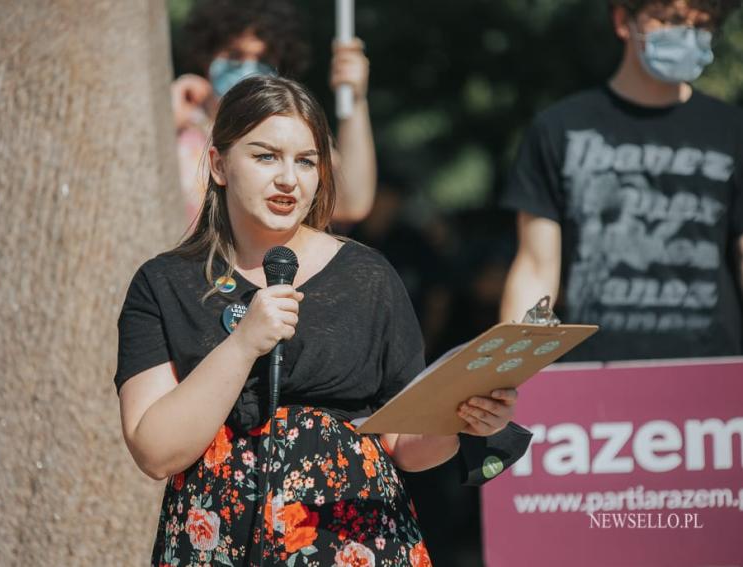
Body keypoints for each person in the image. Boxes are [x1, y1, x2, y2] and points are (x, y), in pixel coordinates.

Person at [115, 75, 518, 565]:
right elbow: (155, 451)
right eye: (266, 157)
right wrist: (242, 345)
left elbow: (405, 446)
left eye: (306, 161)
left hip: (355, 538)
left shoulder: (368, 275)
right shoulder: (165, 282)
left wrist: (461, 418)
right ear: (219, 165)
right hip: (220, 541)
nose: (289, 178)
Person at [500, 0, 743, 361]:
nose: (686, 36)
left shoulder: (733, 130)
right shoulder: (558, 129)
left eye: (702, 25)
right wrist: (510, 371)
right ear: (622, 20)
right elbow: (536, 268)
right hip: (593, 380)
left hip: (710, 377)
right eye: (670, 20)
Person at [171, 0, 377, 227]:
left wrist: (356, 100)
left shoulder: (296, 132)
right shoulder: (179, 126)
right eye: (235, 55)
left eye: (263, 59)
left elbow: (351, 204)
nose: (248, 68)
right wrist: (167, 122)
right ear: (206, 57)